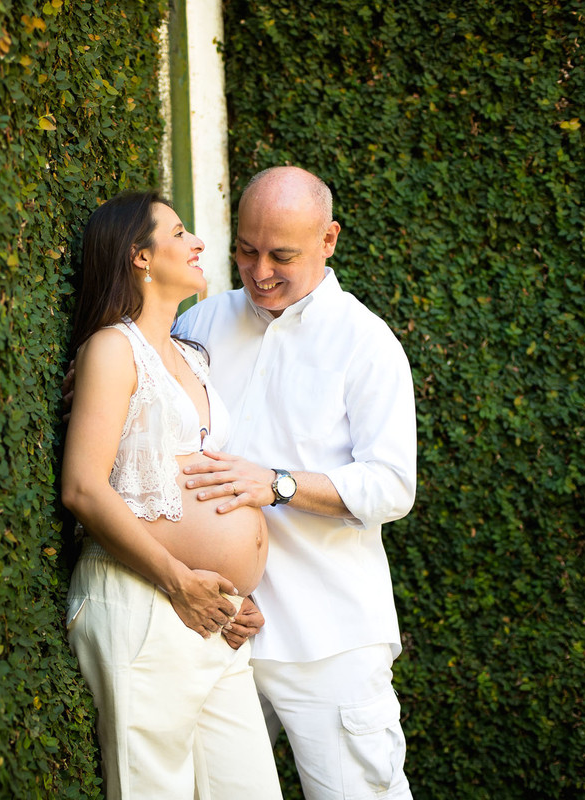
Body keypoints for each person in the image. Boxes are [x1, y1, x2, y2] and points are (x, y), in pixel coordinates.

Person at [174, 165, 418, 799]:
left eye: (281, 255)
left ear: (329, 239)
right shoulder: (198, 326)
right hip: (217, 628)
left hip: (327, 636)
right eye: (246, 251)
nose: (259, 272)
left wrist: (276, 483)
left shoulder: (367, 344)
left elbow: (392, 485)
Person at [61, 191, 282, 799]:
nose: (198, 243)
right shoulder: (113, 348)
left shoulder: (190, 356)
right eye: (179, 232)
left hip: (211, 613)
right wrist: (177, 580)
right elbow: (82, 487)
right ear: (139, 256)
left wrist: (234, 593)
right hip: (145, 599)